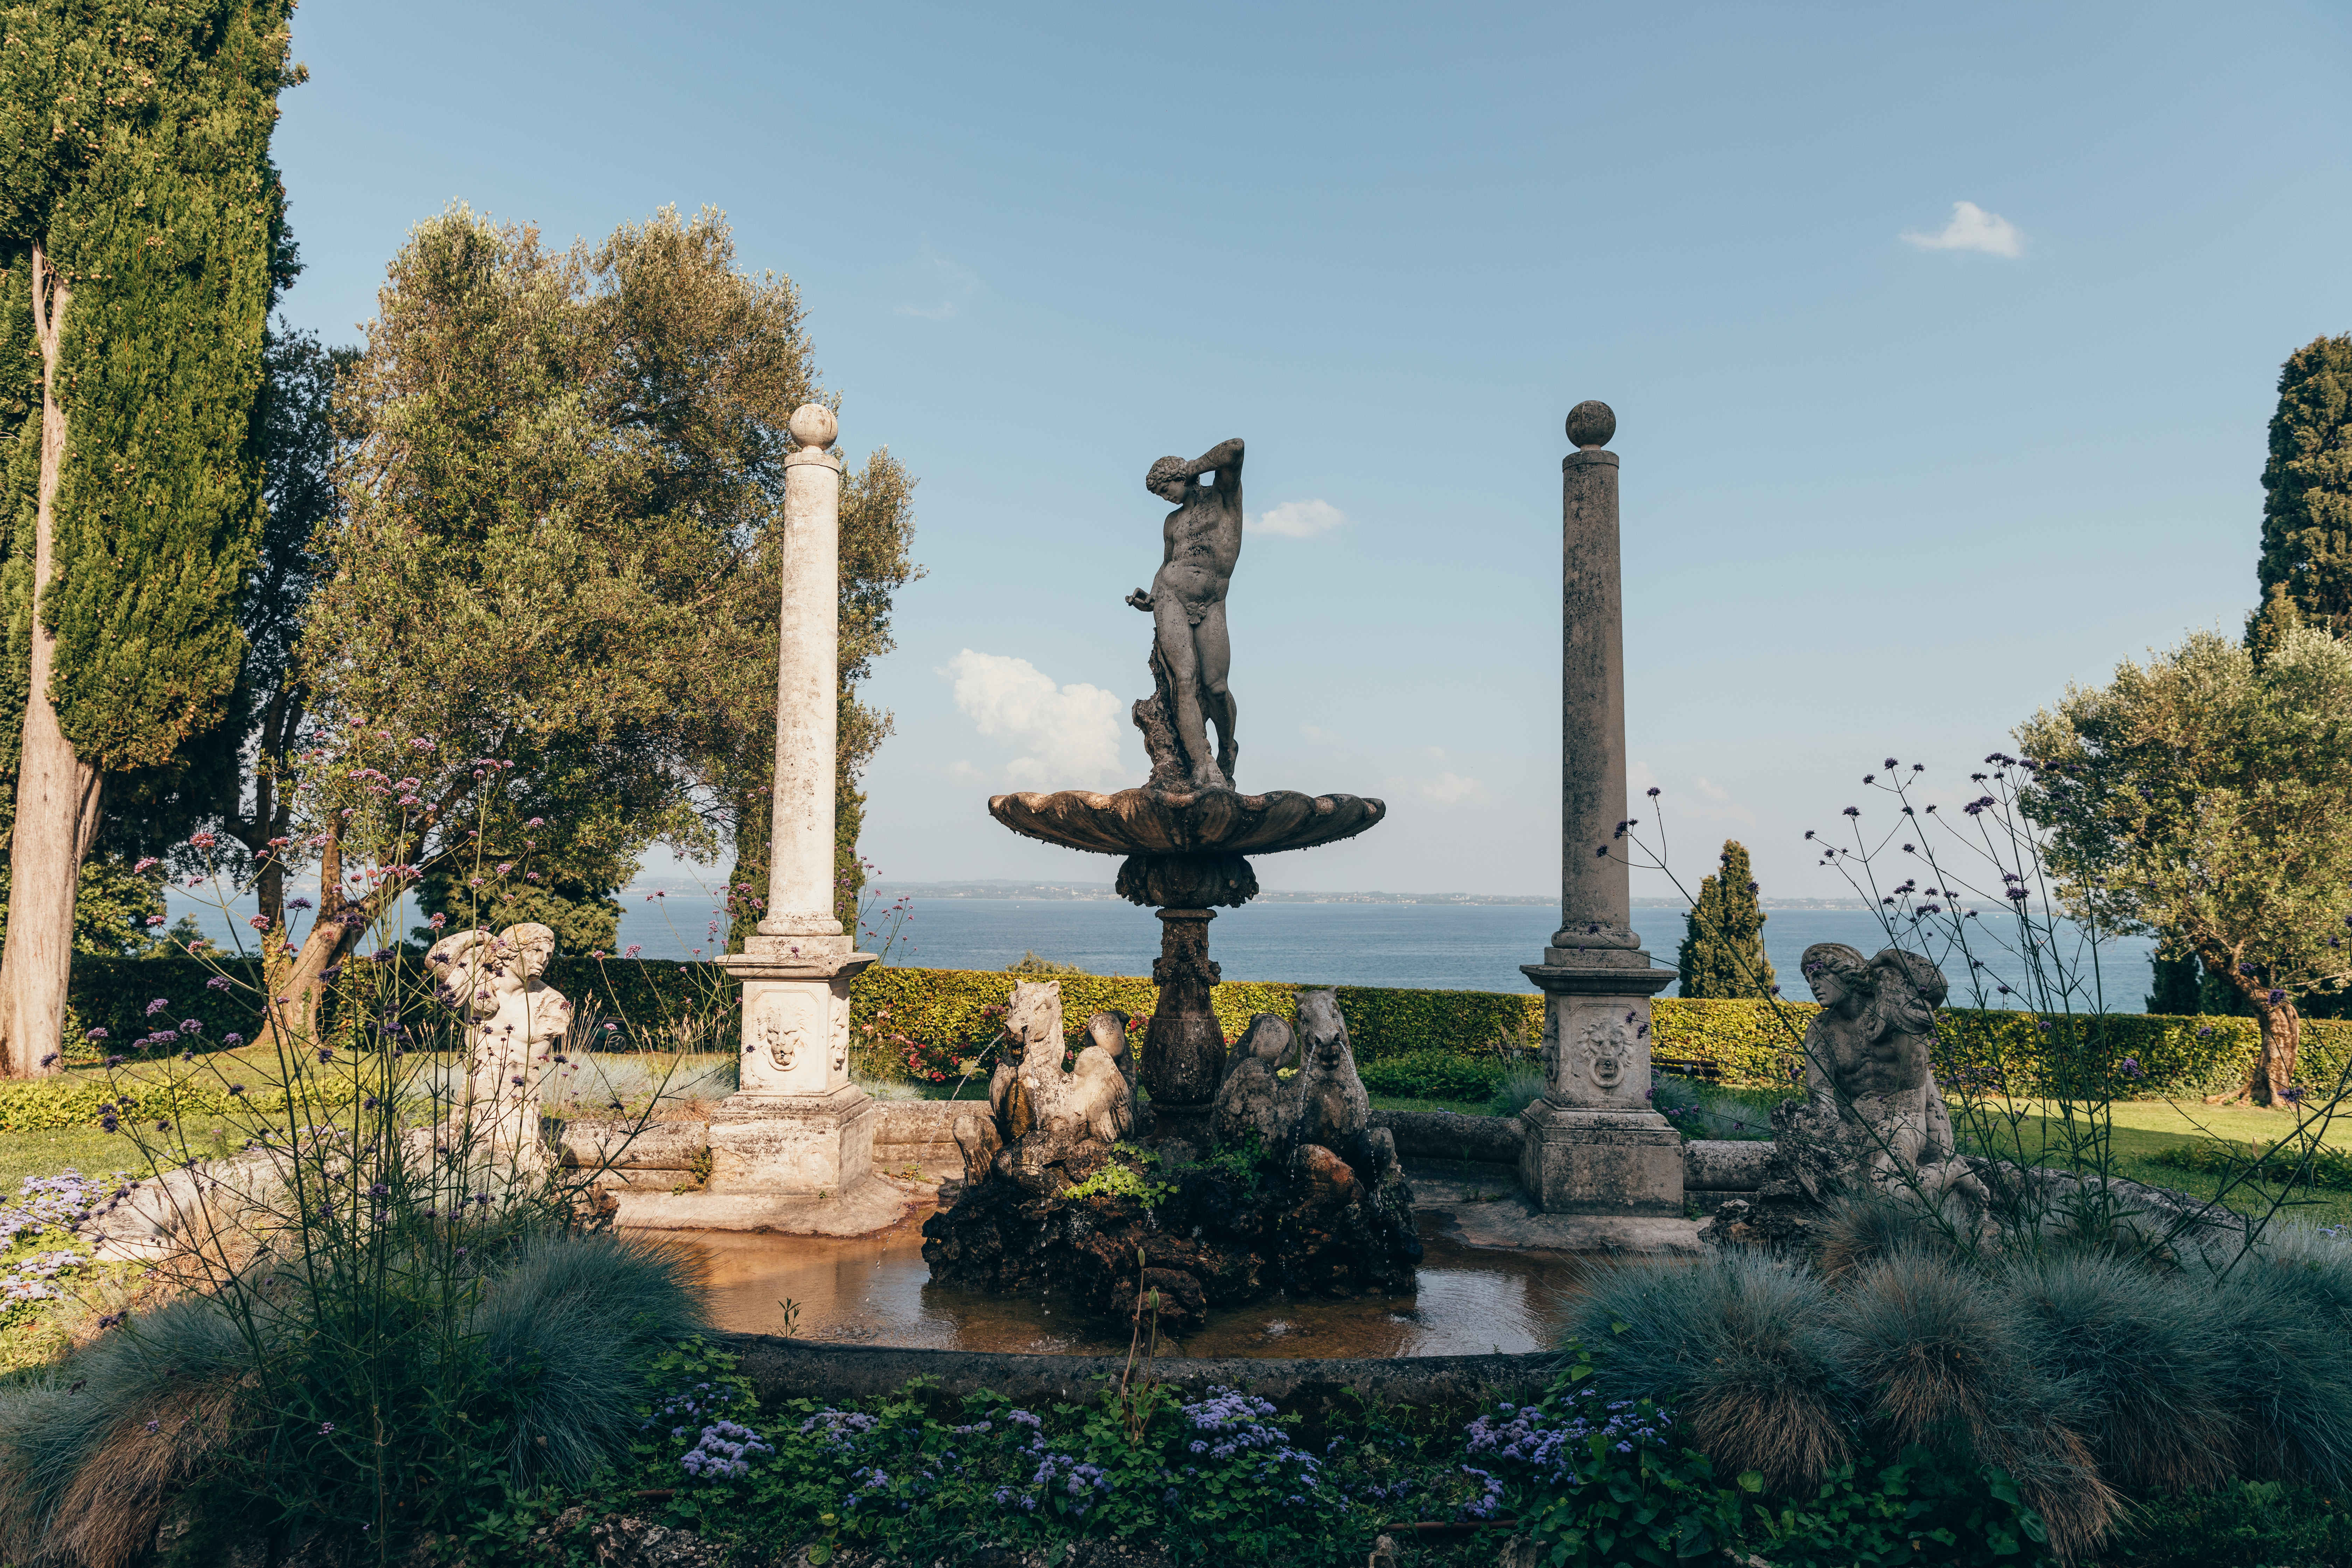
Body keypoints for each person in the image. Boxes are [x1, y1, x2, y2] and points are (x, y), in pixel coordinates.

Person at [1126, 437, 1244, 790]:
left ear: (1181, 478)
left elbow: (1236, 448)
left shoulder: (1224, 497)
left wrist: (1190, 468)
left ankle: (1227, 749)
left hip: (1212, 602)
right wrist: (1150, 597)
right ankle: (1201, 762)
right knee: (1185, 681)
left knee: (1217, 687)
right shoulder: (1171, 522)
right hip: (1170, 598)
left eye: (1166, 490)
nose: (1166, 498)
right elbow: (1167, 563)